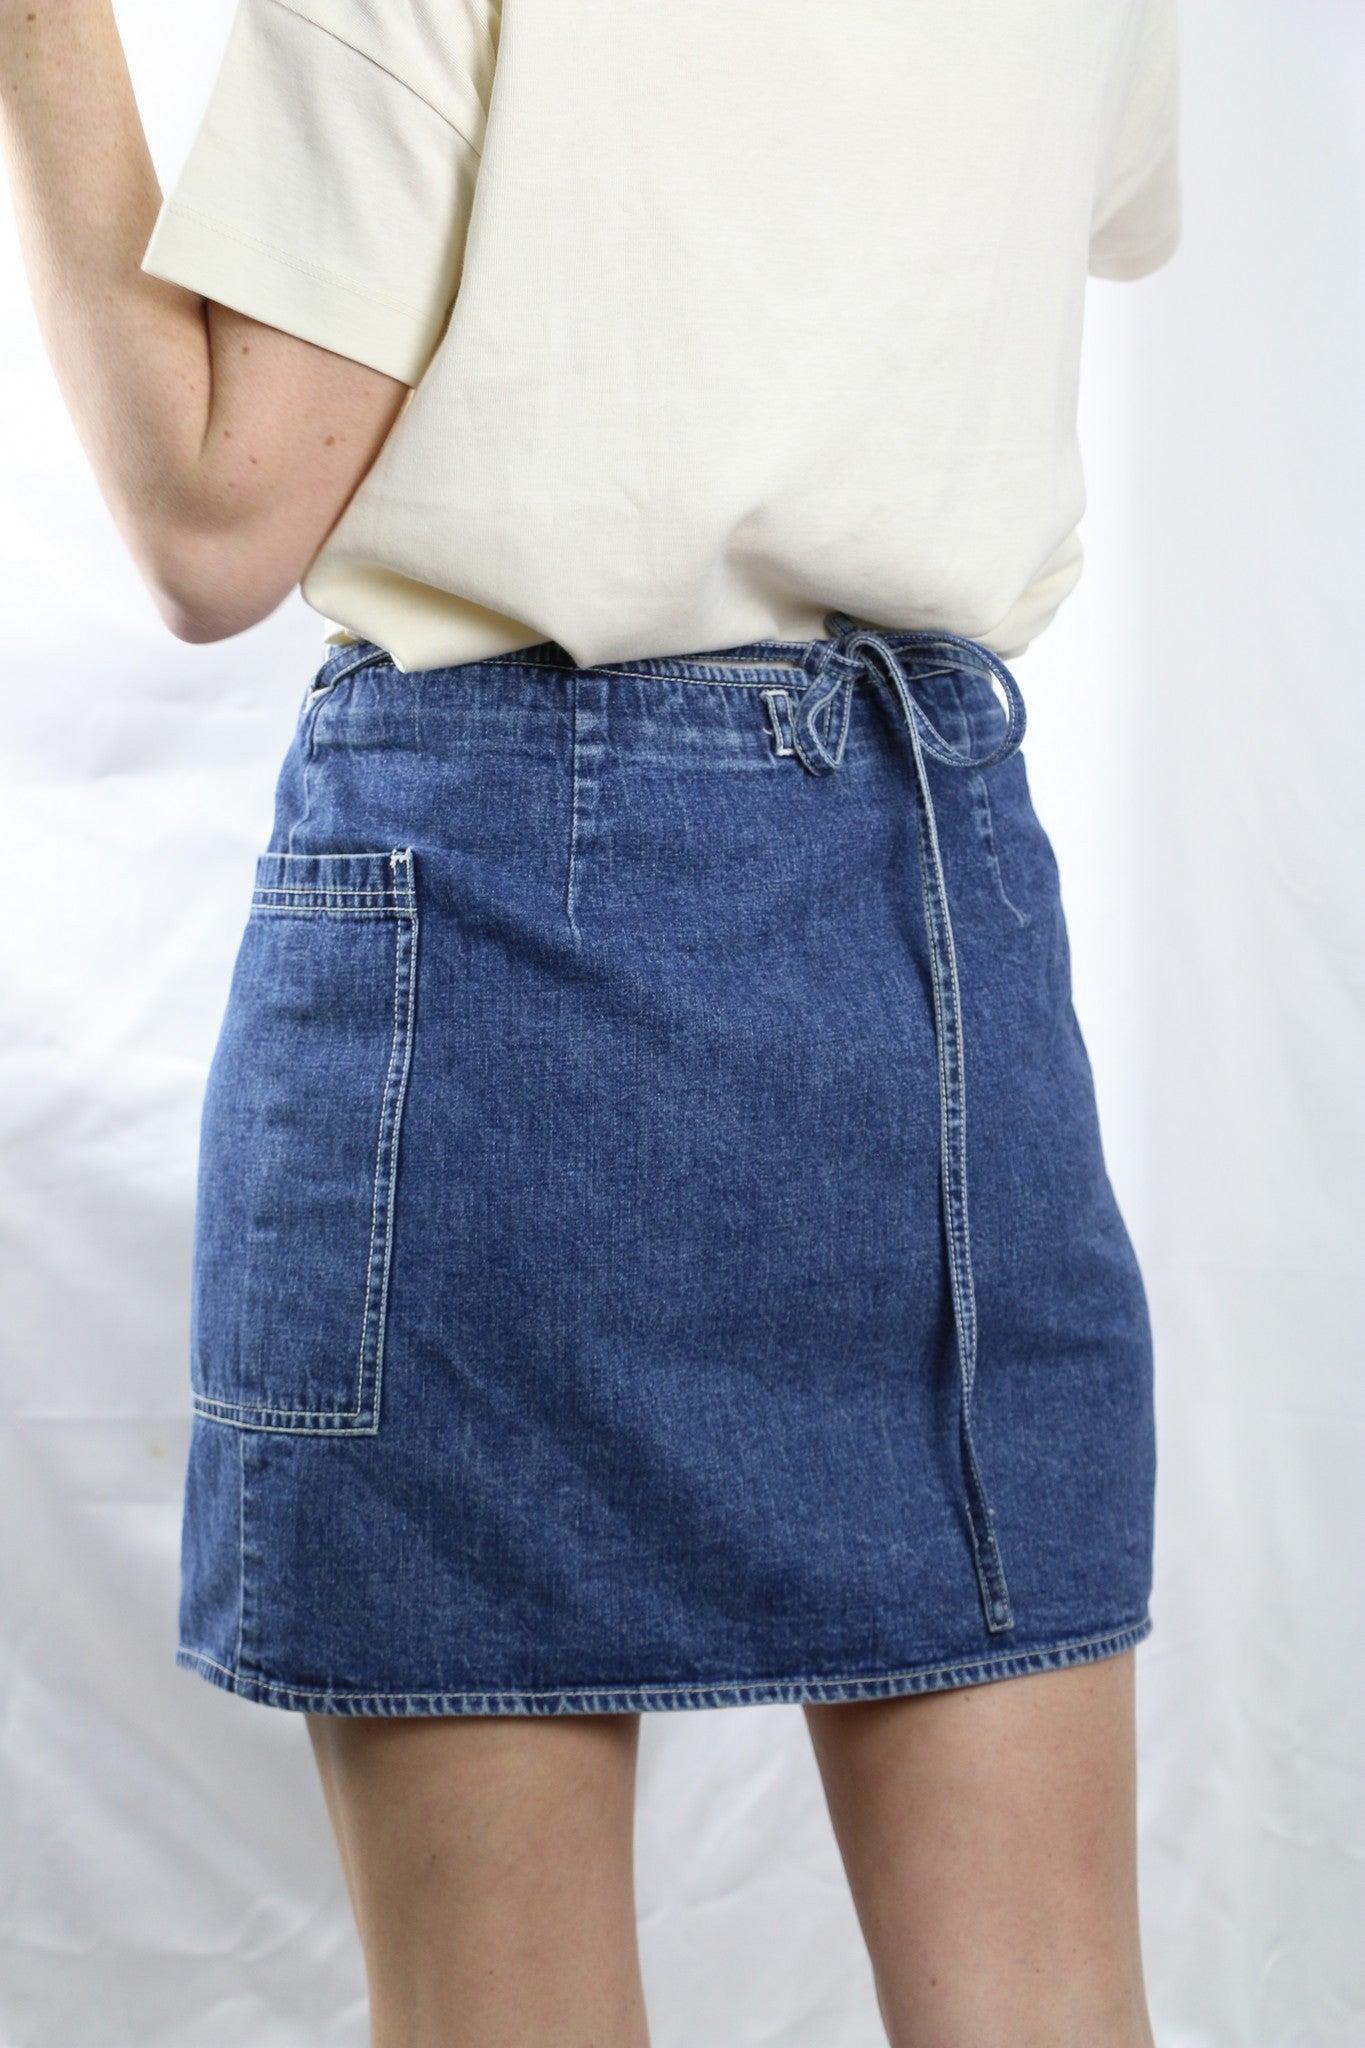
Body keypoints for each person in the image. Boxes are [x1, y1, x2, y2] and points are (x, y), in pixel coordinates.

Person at [0, 0, 1182, 2040]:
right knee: (1040, 2005)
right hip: (928, 916)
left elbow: (214, 518)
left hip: (497, 918)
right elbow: (1068, 204)